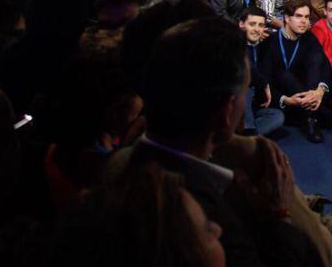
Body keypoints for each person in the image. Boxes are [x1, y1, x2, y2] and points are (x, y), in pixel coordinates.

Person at [108, 17, 321, 266]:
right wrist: (281, 215)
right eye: (244, 94)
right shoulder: (205, 224)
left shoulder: (111, 167)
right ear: (228, 111)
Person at [257, 0, 332, 143]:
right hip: (285, 98)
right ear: (287, 18)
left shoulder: (309, 38)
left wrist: (319, 91)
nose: (304, 21)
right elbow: (265, 82)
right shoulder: (270, 42)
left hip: (310, 92)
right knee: (284, 76)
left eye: (307, 17)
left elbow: (324, 68)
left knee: (315, 64)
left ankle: (310, 118)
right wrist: (287, 100)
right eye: (299, 16)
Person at [237, 7, 285, 137]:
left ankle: (245, 135)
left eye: (261, 25)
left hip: (255, 105)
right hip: (235, 103)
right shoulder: (235, 44)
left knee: (278, 116)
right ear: (241, 24)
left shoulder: (264, 46)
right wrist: (264, 83)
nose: (257, 29)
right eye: (252, 24)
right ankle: (248, 134)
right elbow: (246, 68)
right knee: (245, 86)